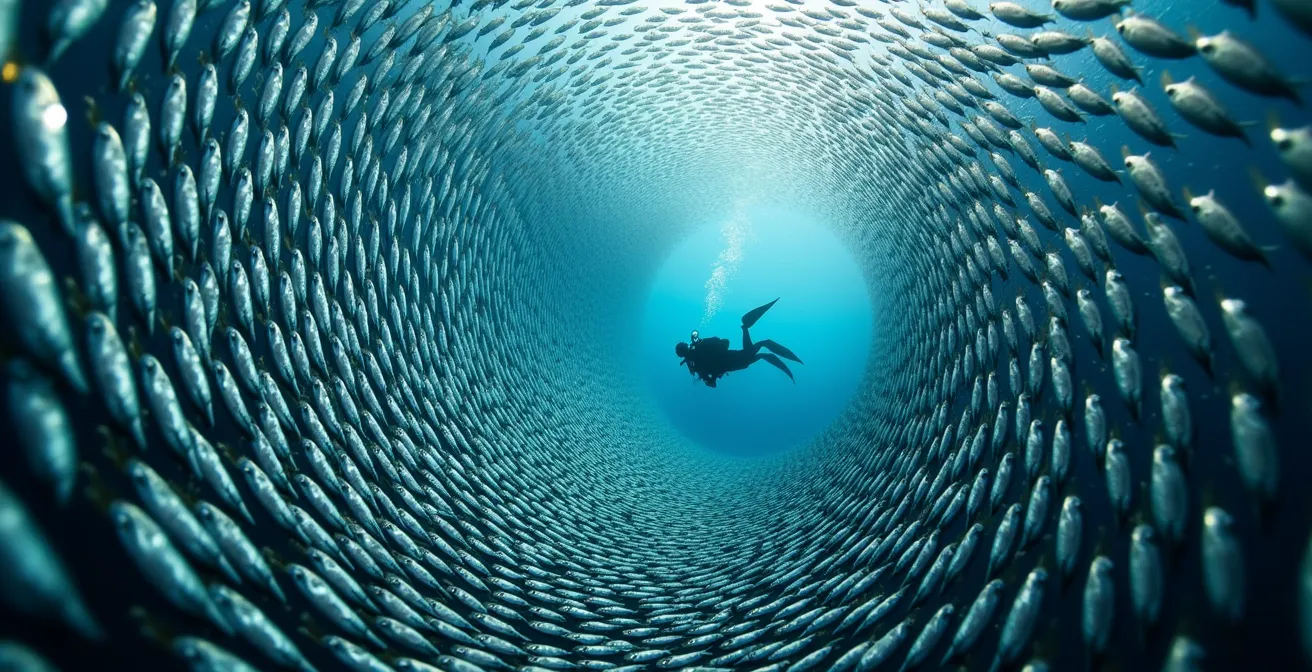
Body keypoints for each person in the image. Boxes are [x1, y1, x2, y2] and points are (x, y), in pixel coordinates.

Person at [675, 298, 804, 387]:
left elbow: (712, 383)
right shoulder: (701, 346)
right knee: (764, 343)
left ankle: (792, 368)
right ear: (686, 346)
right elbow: (725, 342)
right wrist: (703, 343)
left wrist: (712, 378)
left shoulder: (695, 365)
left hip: (738, 365)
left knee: (762, 354)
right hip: (740, 357)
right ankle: (745, 328)